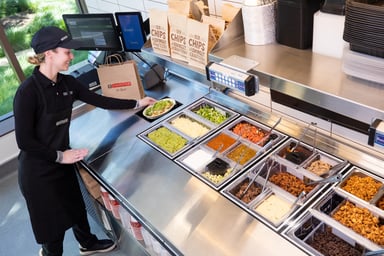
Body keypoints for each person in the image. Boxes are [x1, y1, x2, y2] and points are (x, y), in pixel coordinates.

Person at [13, 26, 157, 256]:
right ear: (48, 54)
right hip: (38, 172)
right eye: (66, 52)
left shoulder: (67, 84)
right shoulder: (27, 93)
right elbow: (25, 141)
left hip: (63, 163)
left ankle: (87, 243)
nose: (71, 56)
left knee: (76, 208)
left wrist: (136, 103)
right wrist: (61, 156)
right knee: (53, 231)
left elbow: (99, 99)